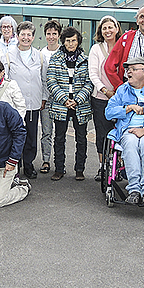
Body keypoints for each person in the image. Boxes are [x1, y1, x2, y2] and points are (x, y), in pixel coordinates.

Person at [105, 56, 144, 206]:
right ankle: (134, 189)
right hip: (128, 130)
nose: (128, 72)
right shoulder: (121, 90)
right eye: (127, 70)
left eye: (133, 69)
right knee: (131, 143)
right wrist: (128, 108)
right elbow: (109, 112)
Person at [46, 26, 93, 181]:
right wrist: (64, 99)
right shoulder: (55, 59)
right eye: (68, 41)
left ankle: (80, 169)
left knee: (81, 138)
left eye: (74, 40)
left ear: (78, 41)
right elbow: (51, 81)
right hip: (61, 105)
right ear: (63, 42)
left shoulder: (86, 60)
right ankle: (59, 168)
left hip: (80, 105)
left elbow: (89, 82)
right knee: (59, 137)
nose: (71, 44)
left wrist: (77, 100)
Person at [5, 21, 46, 179]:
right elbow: (6, 80)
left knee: (31, 136)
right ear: (17, 36)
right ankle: (15, 164)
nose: (26, 38)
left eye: (29, 35)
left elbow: (43, 79)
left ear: (33, 37)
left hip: (33, 103)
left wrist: (43, 98)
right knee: (14, 134)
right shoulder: (8, 55)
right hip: (14, 104)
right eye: (23, 34)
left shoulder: (39, 55)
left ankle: (28, 164)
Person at [104, 4, 144, 92]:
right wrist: (119, 87)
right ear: (137, 20)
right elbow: (109, 66)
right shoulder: (126, 38)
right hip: (128, 87)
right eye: (142, 17)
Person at [89, 15, 122, 170]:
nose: (108, 30)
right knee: (102, 133)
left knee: (121, 131)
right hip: (101, 98)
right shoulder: (96, 49)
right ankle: (104, 166)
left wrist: (119, 92)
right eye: (104, 28)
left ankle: (119, 165)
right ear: (100, 31)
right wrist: (105, 91)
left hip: (121, 98)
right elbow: (93, 74)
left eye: (110, 27)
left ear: (116, 29)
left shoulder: (123, 47)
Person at [38, 20, 61, 174]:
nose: (51, 37)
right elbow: (40, 78)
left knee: (60, 133)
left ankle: (60, 162)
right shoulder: (41, 53)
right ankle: (46, 160)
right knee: (46, 131)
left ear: (59, 35)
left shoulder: (63, 52)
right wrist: (42, 97)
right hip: (44, 98)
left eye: (54, 34)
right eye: (49, 34)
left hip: (60, 99)